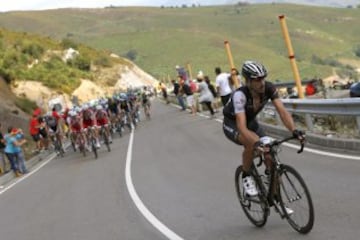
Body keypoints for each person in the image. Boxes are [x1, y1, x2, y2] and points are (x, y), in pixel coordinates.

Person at [222, 61, 305, 204]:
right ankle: (246, 176)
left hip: (251, 123)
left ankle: (273, 195)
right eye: (257, 80)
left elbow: (283, 112)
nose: (262, 83)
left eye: (263, 78)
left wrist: (294, 130)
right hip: (233, 124)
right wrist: (256, 143)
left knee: (270, 154)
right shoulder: (240, 95)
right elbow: (242, 127)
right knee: (251, 143)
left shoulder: (269, 88)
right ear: (248, 81)